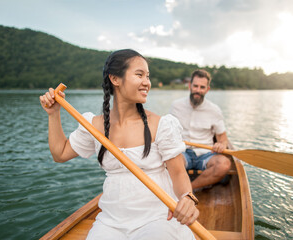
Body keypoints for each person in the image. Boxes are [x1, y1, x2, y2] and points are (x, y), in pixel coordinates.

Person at [39, 49, 198, 239]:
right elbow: (60, 154)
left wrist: (187, 197)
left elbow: (179, 173)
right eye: (139, 75)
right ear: (115, 79)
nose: (147, 82)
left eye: (148, 76)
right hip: (111, 221)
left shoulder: (161, 124)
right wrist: (53, 114)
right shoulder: (94, 125)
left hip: (157, 217)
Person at [170, 69, 231, 190]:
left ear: (207, 89)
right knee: (169, 160)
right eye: (195, 86)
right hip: (183, 151)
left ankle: (189, 189)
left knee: (224, 165)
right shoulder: (176, 106)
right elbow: (169, 132)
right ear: (190, 86)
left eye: (202, 87)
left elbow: (223, 139)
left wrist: (221, 145)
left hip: (206, 153)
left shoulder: (215, 110)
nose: (198, 90)